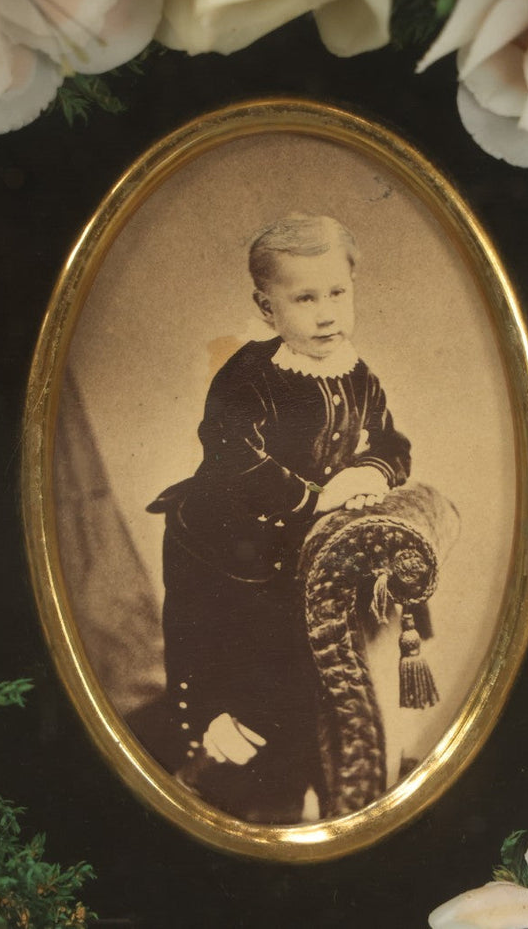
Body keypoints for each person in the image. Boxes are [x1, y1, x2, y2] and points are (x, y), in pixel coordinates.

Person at [146, 214, 411, 822]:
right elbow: (234, 457)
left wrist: (367, 474)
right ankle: (231, 796)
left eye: (338, 293)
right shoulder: (248, 376)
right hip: (222, 550)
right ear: (268, 310)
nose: (326, 314)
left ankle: (301, 807)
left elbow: (393, 445)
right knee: (238, 688)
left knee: (300, 697)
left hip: (293, 559)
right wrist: (319, 497)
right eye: (305, 298)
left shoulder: (359, 374)